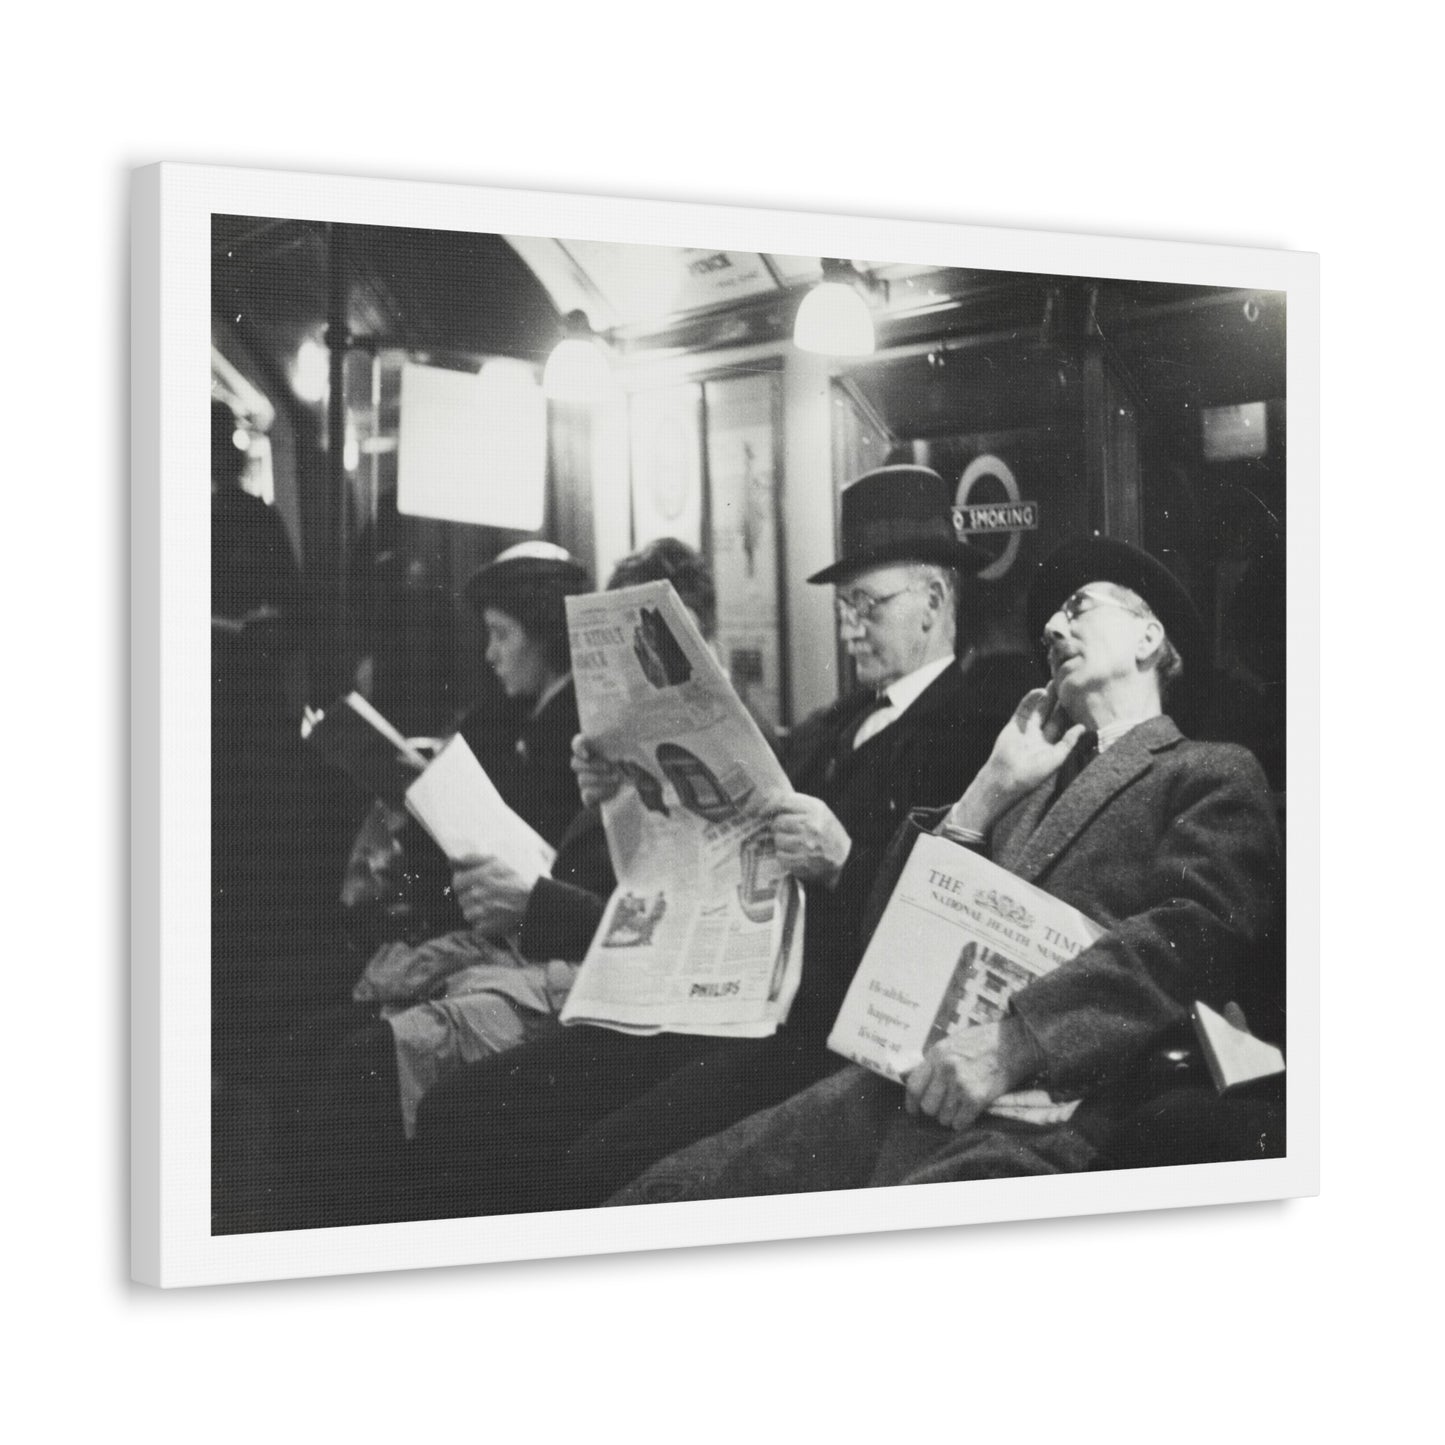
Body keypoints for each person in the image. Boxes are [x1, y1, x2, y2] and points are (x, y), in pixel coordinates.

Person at [411, 465, 1025, 1218]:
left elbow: (957, 915)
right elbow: (705, 840)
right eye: (843, 607)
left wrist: (842, 862)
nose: (849, 625)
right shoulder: (829, 726)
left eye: (869, 604)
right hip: (713, 1000)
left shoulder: (976, 725)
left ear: (933, 600)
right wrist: (625, 786)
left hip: (808, 1033)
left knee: (592, 1166)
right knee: (464, 1107)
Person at [605, 536, 1282, 1204]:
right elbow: (889, 929)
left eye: (1077, 608)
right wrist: (987, 787)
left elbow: (1189, 940)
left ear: (1146, 637)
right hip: (899, 1087)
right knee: (658, 1196)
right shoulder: (1022, 777)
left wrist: (1016, 1040)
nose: (1051, 627)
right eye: (1050, 622)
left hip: (1054, 1113)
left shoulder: (1207, 772)